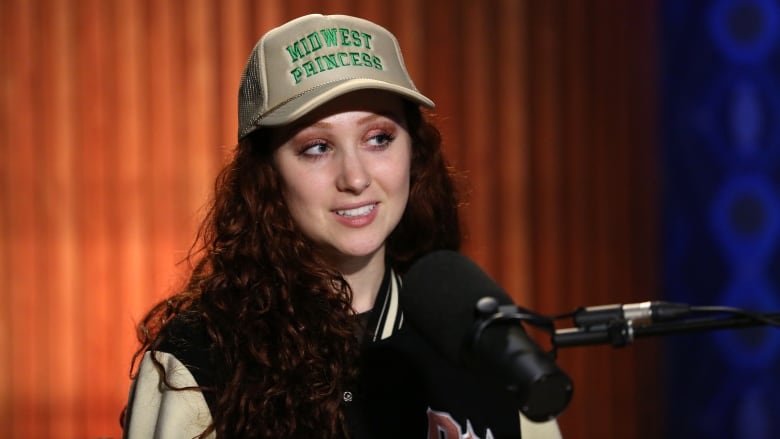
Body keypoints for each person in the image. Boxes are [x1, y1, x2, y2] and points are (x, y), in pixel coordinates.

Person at [121, 13, 562, 439]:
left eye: (378, 138)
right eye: (316, 147)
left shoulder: (487, 344)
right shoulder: (200, 359)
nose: (355, 178)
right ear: (266, 175)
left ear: (416, 151)